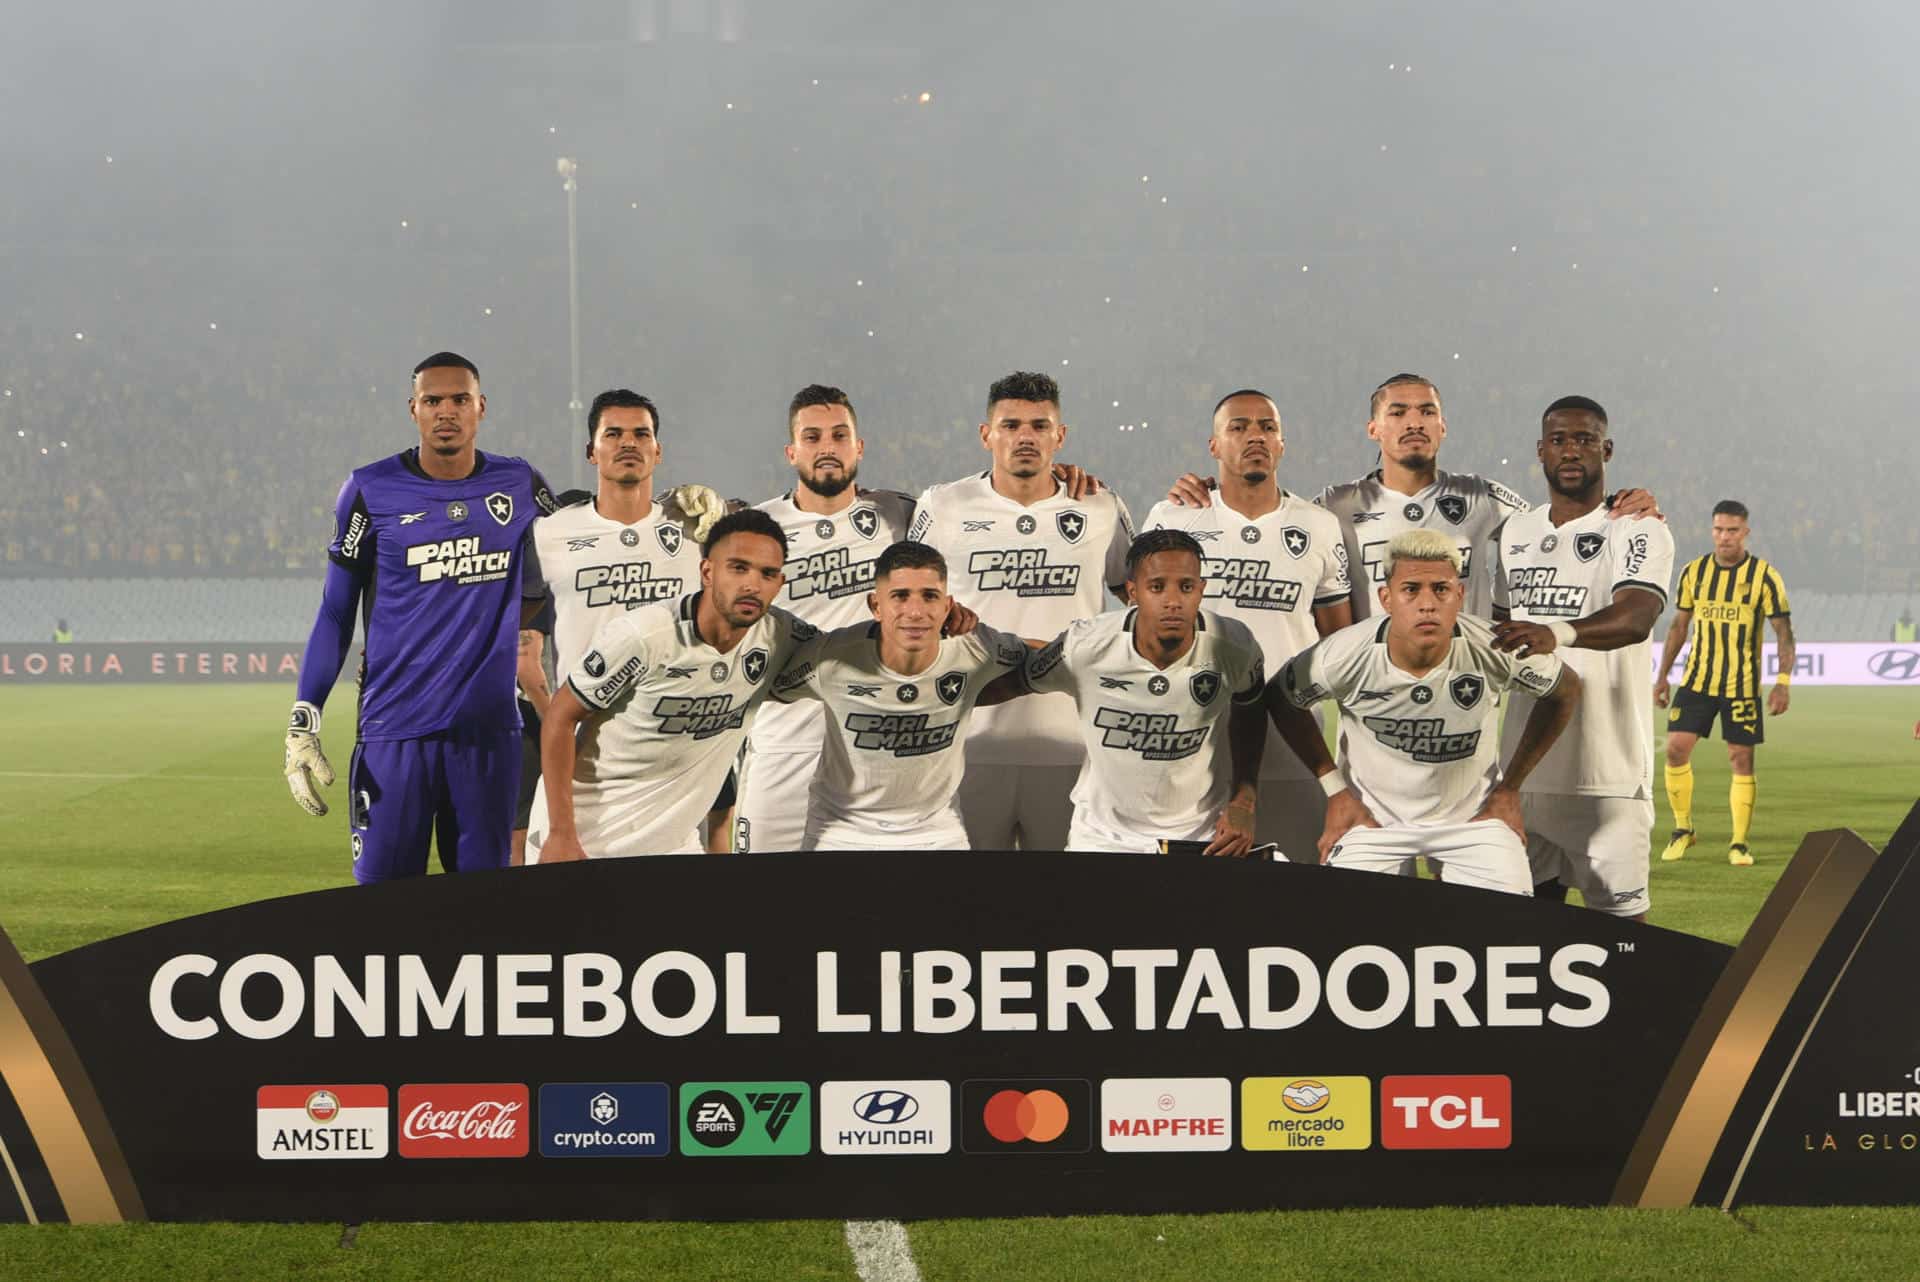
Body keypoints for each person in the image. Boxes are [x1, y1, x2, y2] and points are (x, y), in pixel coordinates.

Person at [282, 351, 554, 882]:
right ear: (414, 409)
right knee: (386, 904)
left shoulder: (520, 483)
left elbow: (562, 562)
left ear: (481, 407)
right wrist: (304, 716)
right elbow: (337, 611)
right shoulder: (369, 489)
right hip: (394, 730)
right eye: (433, 400)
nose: (446, 411)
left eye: (459, 399)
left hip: (488, 734)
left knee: (482, 912)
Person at [1164, 373, 1659, 618]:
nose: (1414, 422)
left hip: (1465, 695)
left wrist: (1624, 503)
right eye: (1398, 412)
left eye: (1427, 411)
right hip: (1371, 700)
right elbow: (1268, 518)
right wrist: (1214, 486)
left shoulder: (1484, 499)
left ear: (1443, 426)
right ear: (1373, 429)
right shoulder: (1333, 507)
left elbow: (1561, 525)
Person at [1263, 529, 1583, 894]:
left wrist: (1510, 788)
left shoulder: (1494, 647)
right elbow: (1280, 697)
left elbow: (1566, 689)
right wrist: (1335, 789)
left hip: (1473, 820)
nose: (1427, 603)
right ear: (1386, 598)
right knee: (1346, 931)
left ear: (1459, 596)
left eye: (1441, 590)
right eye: (1411, 589)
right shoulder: (1344, 654)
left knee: (1508, 929)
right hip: (1372, 821)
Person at [909, 370, 1135, 851]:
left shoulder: (1101, 507)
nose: (1025, 437)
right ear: (986, 435)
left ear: (1061, 436)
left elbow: (1141, 600)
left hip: (1075, 744)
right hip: (966, 743)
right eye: (1010, 425)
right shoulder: (944, 505)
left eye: (1039, 425)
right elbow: (907, 602)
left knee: (1060, 912)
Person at [530, 510, 811, 861]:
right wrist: (560, 833)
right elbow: (560, 715)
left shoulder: (780, 636)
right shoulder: (645, 635)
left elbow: (851, 660)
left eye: (767, 574)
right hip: (588, 838)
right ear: (707, 571)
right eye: (738, 568)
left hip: (674, 842)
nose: (752, 584)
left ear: (780, 583)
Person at [1142, 390, 1351, 859]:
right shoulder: (1173, 518)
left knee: (1295, 888)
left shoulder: (1317, 525)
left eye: (1267, 427)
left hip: (1294, 738)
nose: (1254, 435)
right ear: (1214, 446)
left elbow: (1338, 641)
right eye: (1238, 427)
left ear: (1282, 444)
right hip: (1194, 742)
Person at [1488, 397, 1675, 920]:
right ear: (1541, 451)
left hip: (1608, 778)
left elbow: (1636, 618)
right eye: (1560, 440)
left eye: (1586, 440)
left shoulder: (1638, 526)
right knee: (1525, 945)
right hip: (1522, 775)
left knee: (1626, 945)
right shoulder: (1514, 533)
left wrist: (1556, 632)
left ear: (1606, 449)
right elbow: (1502, 637)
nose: (1572, 451)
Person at [990, 529, 1268, 855]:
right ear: (1133, 593)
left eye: (1187, 587)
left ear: (1202, 591)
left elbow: (1252, 707)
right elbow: (1018, 679)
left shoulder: (1234, 645)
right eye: (1157, 587)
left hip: (1198, 834)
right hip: (1102, 837)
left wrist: (1244, 799)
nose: (1173, 601)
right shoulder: (1086, 646)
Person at [735, 385, 918, 854]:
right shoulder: (756, 527)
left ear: (858, 446)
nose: (827, 448)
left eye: (839, 435)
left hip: (873, 748)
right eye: (812, 437)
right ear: (791, 451)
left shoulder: (902, 515)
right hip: (782, 743)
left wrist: (1057, 476)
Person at [766, 540, 1027, 850]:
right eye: (900, 597)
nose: (915, 612)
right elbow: (765, 686)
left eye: (930, 597)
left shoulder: (977, 647)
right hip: (842, 832)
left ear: (947, 605)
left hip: (936, 832)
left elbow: (1043, 659)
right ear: (875, 606)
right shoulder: (830, 658)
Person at [1653, 500, 1793, 867]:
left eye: (1732, 530)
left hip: (1742, 686)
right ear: (1711, 530)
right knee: (1675, 750)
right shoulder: (1694, 572)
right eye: (1718, 529)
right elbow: (1679, 627)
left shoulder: (1765, 576)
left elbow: (1783, 633)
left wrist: (1782, 682)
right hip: (1697, 681)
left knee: (1741, 758)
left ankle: (1739, 843)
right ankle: (1683, 829)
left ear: (1745, 532)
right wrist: (1662, 676)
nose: (1724, 537)